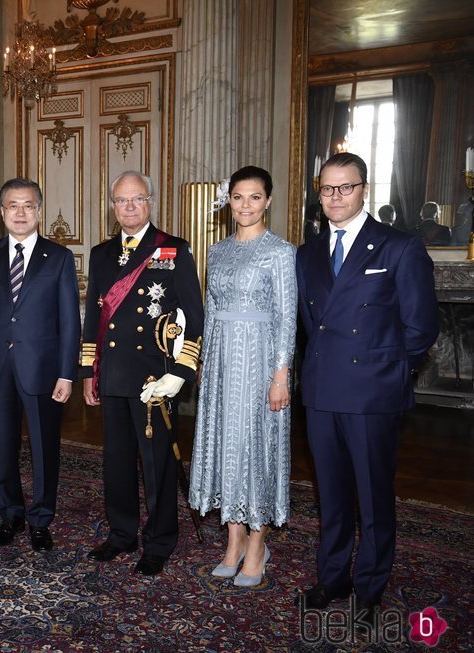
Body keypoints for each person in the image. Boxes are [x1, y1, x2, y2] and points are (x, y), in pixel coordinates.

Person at [296, 152, 438, 617]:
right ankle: (332, 577)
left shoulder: (398, 246)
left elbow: (421, 328)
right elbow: (308, 324)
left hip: (372, 393)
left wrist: (390, 373)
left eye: (345, 187)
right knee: (331, 494)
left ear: (364, 189)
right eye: (327, 189)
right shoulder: (309, 251)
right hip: (320, 392)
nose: (335, 197)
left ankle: (370, 588)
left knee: (373, 497)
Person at [81, 170, 203, 576]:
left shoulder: (172, 250)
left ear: (150, 201)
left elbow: (194, 316)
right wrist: (87, 371)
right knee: (115, 461)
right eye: (121, 200)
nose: (129, 207)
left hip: (154, 379)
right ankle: (121, 534)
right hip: (113, 374)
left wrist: (182, 371)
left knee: (156, 464)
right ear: (112, 206)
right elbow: (93, 318)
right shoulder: (101, 254)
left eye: (136, 199)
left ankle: (160, 541)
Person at [189, 166, 297, 587]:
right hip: (221, 367)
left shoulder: (281, 252)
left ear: (268, 201)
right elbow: (211, 312)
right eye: (238, 197)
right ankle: (232, 542)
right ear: (228, 201)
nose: (245, 205)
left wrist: (281, 375)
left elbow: (287, 318)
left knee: (256, 452)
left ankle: (257, 545)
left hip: (260, 366)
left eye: (254, 197)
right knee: (225, 450)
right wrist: (204, 365)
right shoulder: (216, 251)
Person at [0, 177, 80, 552]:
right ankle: (10, 513)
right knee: (2, 446)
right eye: (13, 205)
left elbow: (69, 321)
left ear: (39, 211)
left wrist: (67, 372)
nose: (20, 212)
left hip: (43, 370)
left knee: (45, 447)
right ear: (2, 212)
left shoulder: (59, 257)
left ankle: (41, 518)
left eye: (28, 205)